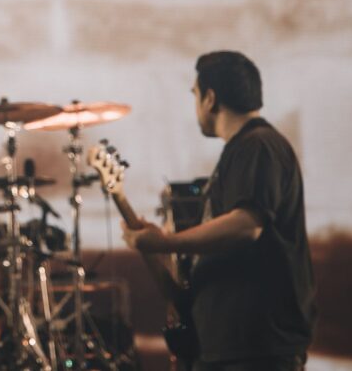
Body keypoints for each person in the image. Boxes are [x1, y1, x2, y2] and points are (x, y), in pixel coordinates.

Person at [122, 51, 315, 371]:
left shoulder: (258, 145)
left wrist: (165, 242)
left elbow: (246, 225)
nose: (195, 105)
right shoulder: (244, 149)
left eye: (195, 94)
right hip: (230, 346)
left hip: (255, 348)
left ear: (210, 98)